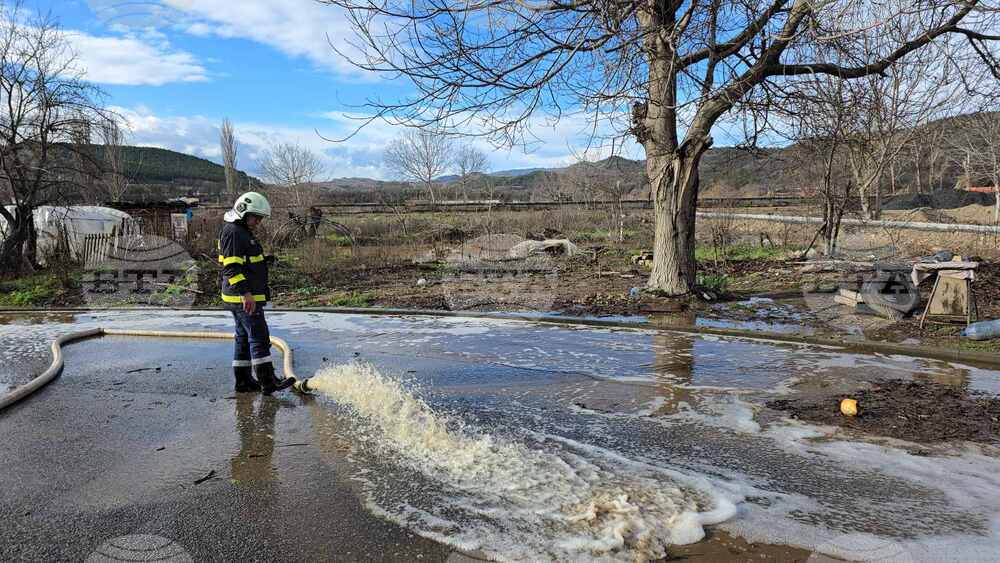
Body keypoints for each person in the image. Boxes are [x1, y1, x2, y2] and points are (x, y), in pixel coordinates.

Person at [218, 192, 293, 394]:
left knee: (243, 338)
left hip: (240, 296)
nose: (258, 221)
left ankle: (243, 381)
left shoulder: (240, 231)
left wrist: (263, 261)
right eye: (256, 217)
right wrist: (245, 294)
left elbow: (243, 260)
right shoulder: (234, 232)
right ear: (243, 212)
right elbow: (231, 267)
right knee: (259, 337)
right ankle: (268, 382)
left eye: (260, 218)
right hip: (243, 297)